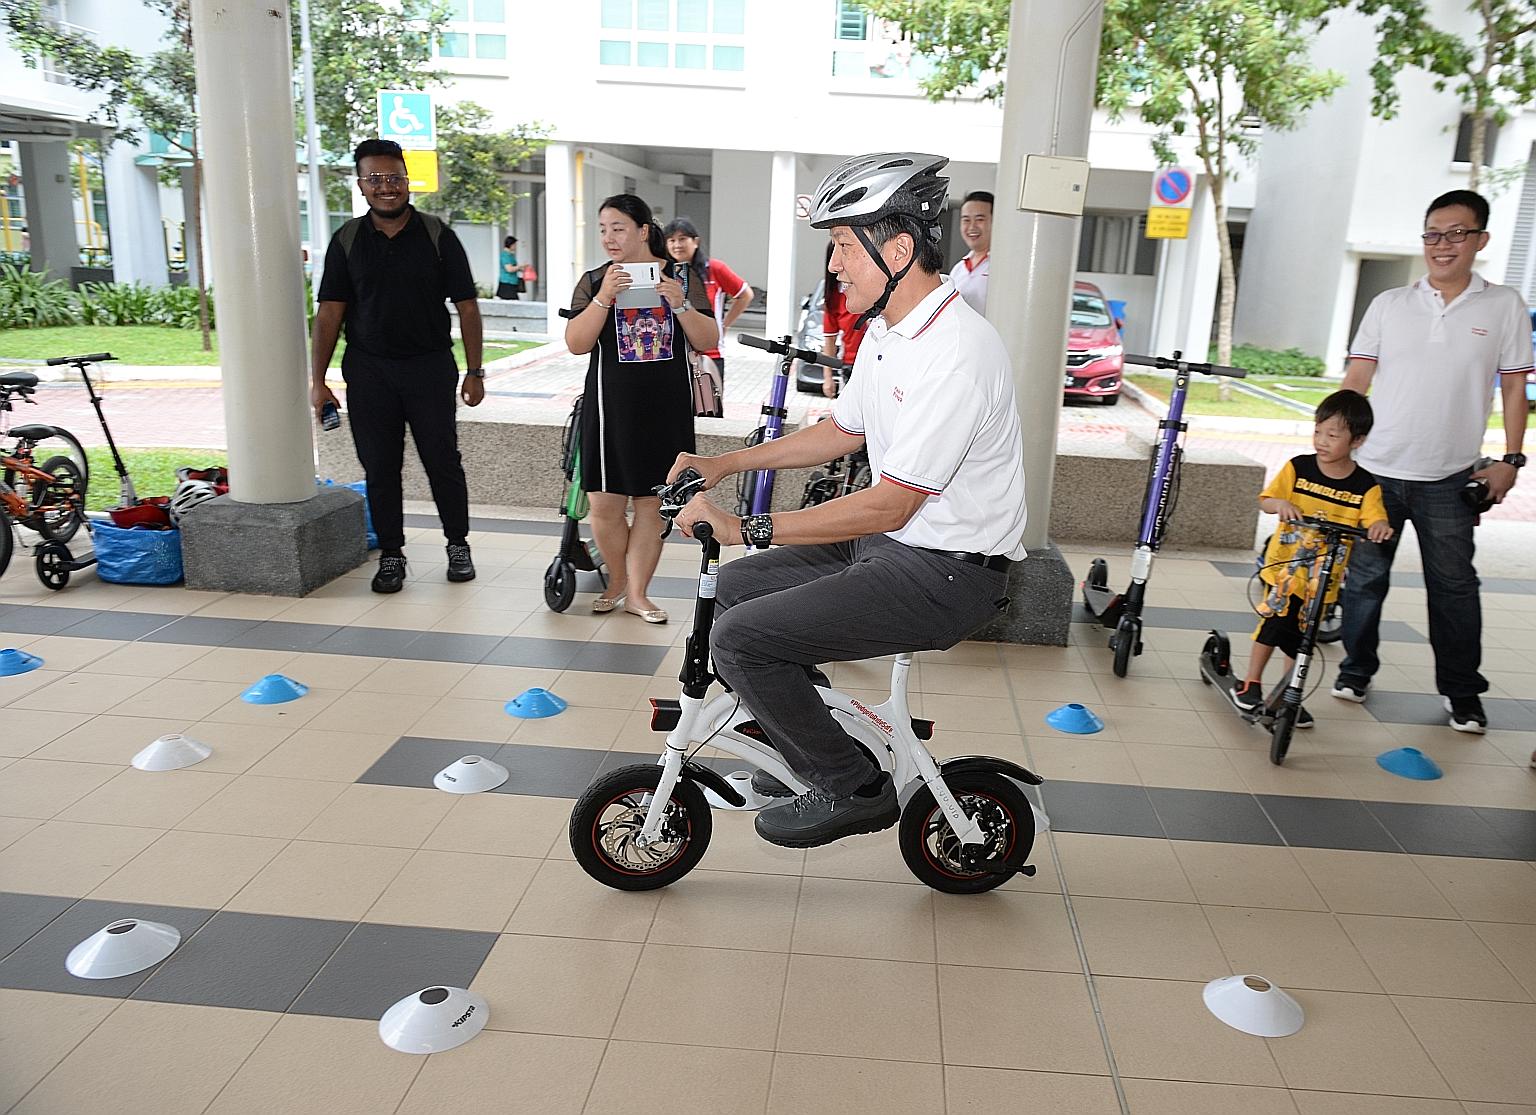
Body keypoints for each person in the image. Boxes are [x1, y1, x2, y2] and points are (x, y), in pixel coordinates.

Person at [669, 152, 1027, 849]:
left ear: (897, 248)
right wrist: (726, 462)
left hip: (944, 572)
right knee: (739, 593)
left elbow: (890, 504)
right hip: (895, 546)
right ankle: (807, 740)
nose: (833, 265)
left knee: (738, 640)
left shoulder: (955, 351)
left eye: (841, 245)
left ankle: (853, 786)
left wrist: (745, 525)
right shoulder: (892, 328)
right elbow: (841, 428)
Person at [1333, 189, 1531, 734]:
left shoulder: (1504, 305)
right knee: (1364, 580)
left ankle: (1463, 693)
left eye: (1456, 233)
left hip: (1451, 477)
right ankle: (1355, 670)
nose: (1442, 245)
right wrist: (1335, 448)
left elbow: (1514, 388)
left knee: (1455, 588)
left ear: (1480, 240)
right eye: (1432, 234)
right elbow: (1356, 381)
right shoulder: (1390, 305)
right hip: (1377, 471)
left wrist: (1512, 459)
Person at [310, 138, 484, 594]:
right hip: (368, 371)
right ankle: (391, 554)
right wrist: (318, 381)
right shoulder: (346, 239)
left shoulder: (437, 234)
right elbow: (329, 313)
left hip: (429, 367)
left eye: (394, 177)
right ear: (361, 186)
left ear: (408, 181)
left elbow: (467, 307)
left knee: (443, 462)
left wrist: (475, 370)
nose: (386, 187)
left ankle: (458, 545)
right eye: (375, 179)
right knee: (380, 467)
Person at [565, 194, 718, 624]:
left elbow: (707, 338)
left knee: (653, 503)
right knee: (605, 505)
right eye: (602, 229)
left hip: (664, 407)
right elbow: (577, 344)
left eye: (618, 228)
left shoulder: (681, 277)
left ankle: (637, 593)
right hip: (608, 407)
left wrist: (680, 304)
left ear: (643, 231)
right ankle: (616, 580)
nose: (609, 238)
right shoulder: (596, 280)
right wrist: (603, 300)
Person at [1230, 390, 1392, 724]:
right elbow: (1267, 500)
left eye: (1332, 435)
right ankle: (1251, 682)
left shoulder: (1365, 486)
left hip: (1323, 580)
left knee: (1302, 639)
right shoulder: (1298, 468)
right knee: (1274, 625)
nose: (1321, 440)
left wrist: (1378, 527)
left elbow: (1374, 517)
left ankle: (1290, 694)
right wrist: (1282, 505)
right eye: (1318, 431)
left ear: (1357, 440)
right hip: (1286, 571)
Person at [663, 217, 754, 386]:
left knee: (708, 408)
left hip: (709, 354)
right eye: (671, 240)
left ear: (695, 241)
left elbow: (745, 294)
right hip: (673, 355)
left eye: (682, 239)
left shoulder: (714, 269)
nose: (677, 245)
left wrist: (725, 325)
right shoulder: (663, 273)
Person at [818, 241, 868, 398]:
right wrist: (828, 378)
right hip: (851, 365)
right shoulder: (833, 298)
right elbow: (829, 343)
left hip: (879, 363)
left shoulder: (873, 287)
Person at [947, 189, 992, 315]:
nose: (972, 227)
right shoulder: (958, 269)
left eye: (979, 219)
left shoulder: (1002, 266)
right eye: (966, 220)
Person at [497, 235, 521, 300]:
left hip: (512, 282)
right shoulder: (505, 255)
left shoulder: (510, 255)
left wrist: (520, 268)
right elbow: (509, 269)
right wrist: (520, 267)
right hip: (507, 283)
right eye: (514, 244)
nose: (515, 246)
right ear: (511, 245)